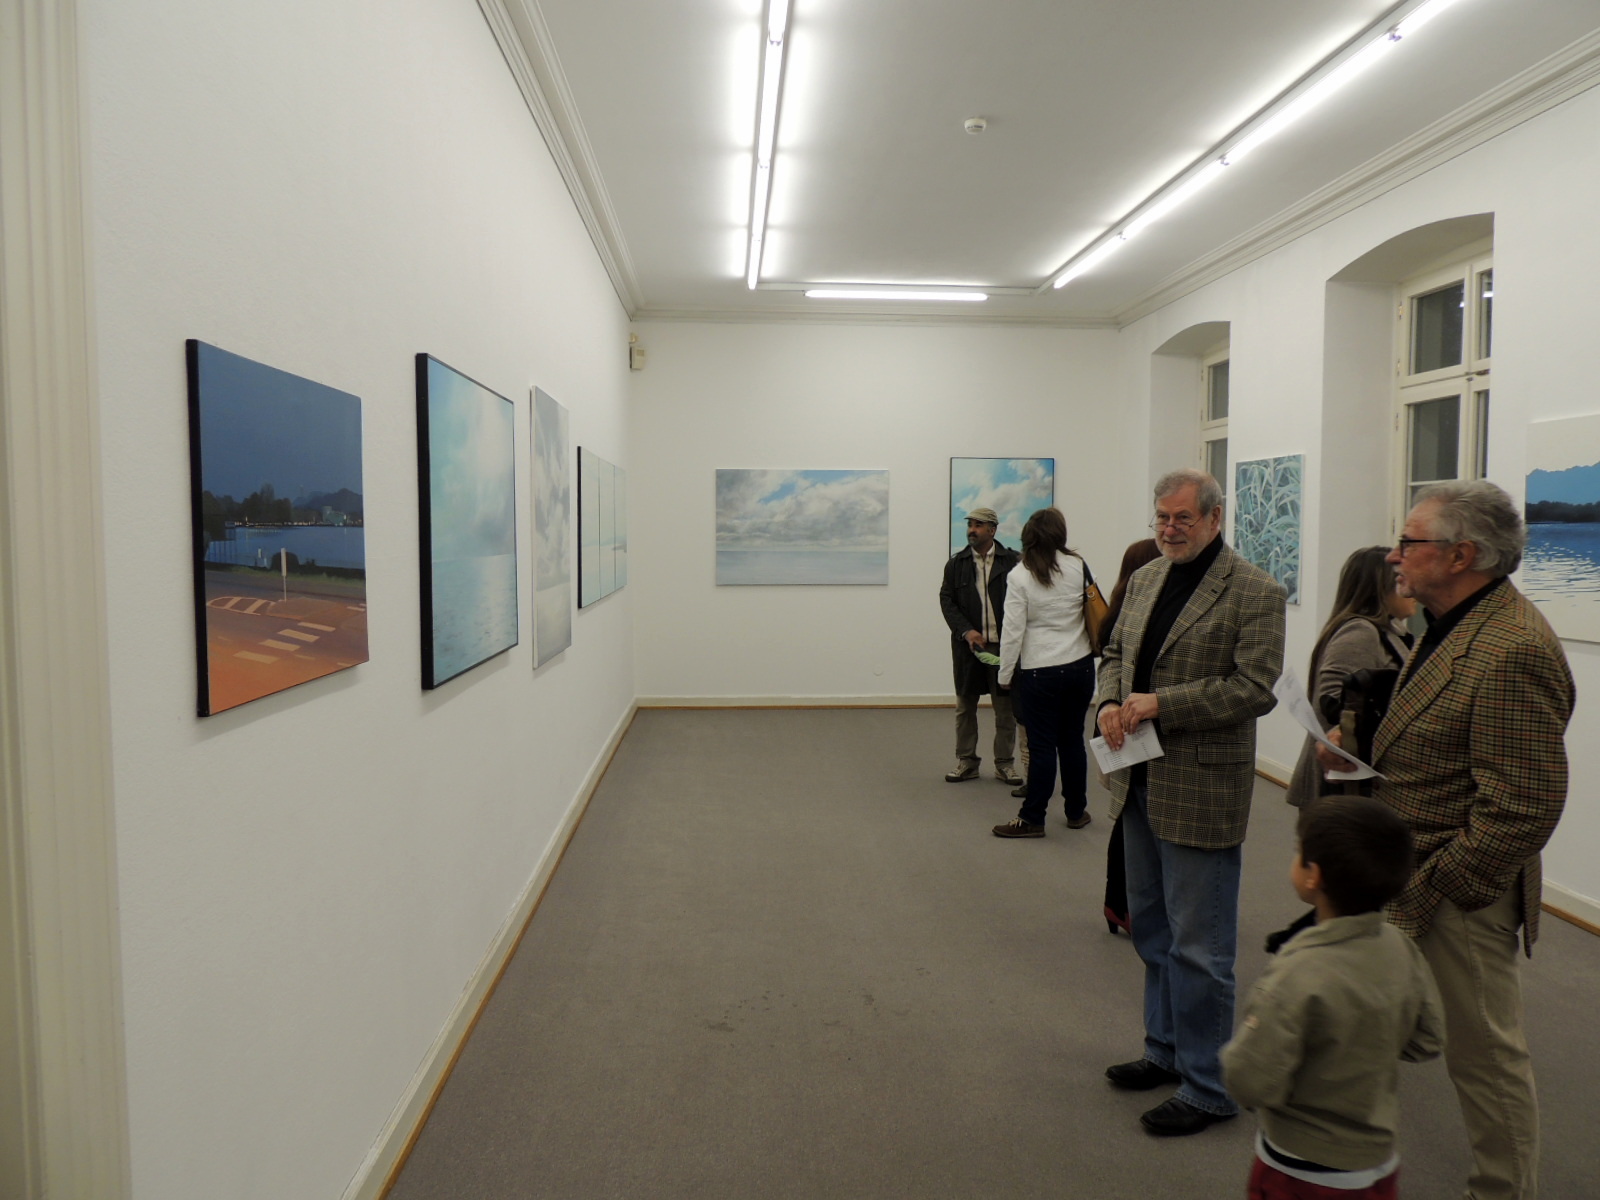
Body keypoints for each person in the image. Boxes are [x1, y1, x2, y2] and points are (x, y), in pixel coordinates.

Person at [1320, 481, 1574, 1200]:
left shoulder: (1511, 648)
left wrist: (1433, 891)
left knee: (1486, 1062)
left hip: (1460, 892)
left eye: (1410, 541)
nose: (1393, 555)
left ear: (1462, 555)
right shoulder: (1451, 625)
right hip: (1409, 872)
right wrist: (1358, 745)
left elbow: (1522, 807)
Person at [1095, 467, 1286, 1136]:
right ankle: (1165, 1050)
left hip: (1202, 787)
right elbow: (1114, 653)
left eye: (1183, 517)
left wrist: (1161, 704)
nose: (1170, 528)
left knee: (1201, 947)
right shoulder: (1147, 578)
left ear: (1214, 518)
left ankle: (1208, 1086)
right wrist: (1109, 702)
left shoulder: (1255, 590)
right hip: (1137, 778)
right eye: (1162, 517)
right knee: (1151, 929)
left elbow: (1254, 687)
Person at [1222, 797, 1444, 1199]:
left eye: (1298, 851)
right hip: (1377, 1163)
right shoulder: (1401, 947)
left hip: (1300, 1172)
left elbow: (1248, 1080)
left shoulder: (1298, 972)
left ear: (1313, 876)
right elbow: (1427, 1039)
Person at [991, 507, 1095, 838]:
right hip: (1080, 666)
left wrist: (1004, 675)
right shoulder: (1078, 566)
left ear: (1027, 537)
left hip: (1040, 671)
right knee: (1073, 741)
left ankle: (1033, 817)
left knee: (1042, 746)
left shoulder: (1019, 576)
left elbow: (1012, 631)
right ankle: (1076, 811)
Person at [1284, 546, 1414, 809]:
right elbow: (1333, 704)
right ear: (1381, 587)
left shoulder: (1385, 630)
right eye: (1401, 577)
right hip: (1342, 789)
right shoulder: (1361, 632)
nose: (1409, 587)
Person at [1099, 537, 1164, 933]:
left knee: (1127, 817)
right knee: (1130, 820)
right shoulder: (1133, 609)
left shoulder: (1116, 605)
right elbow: (1113, 659)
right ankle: (1121, 903)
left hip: (1123, 724)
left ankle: (1117, 904)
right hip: (1127, 725)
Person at [939, 506, 1022, 785]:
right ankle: (966, 761)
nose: (971, 530)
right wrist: (966, 631)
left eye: (978, 525)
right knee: (965, 707)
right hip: (968, 648)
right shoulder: (957, 564)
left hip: (1004, 648)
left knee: (1005, 709)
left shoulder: (1013, 562)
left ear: (992, 530)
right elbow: (947, 601)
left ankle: (1004, 764)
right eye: (970, 525)